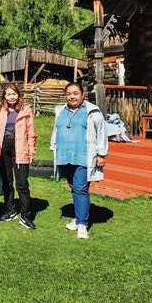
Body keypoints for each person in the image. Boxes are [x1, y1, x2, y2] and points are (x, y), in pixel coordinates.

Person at [50, 82, 108, 239]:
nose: (72, 96)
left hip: (83, 156)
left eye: (75, 93)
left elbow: (101, 132)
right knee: (74, 187)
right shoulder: (61, 111)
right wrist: (53, 145)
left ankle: (82, 224)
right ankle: (78, 218)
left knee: (81, 188)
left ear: (82, 95)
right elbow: (56, 129)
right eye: (68, 94)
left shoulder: (92, 111)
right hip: (65, 155)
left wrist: (102, 154)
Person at [0, 83, 37, 230]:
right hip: (2, 150)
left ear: (18, 95)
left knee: (22, 184)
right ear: (4, 96)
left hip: (20, 150)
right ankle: (10, 210)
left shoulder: (26, 110)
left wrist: (31, 150)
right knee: (7, 182)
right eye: (8, 94)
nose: (11, 97)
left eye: (14, 94)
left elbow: (31, 133)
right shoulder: (0, 110)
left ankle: (25, 215)